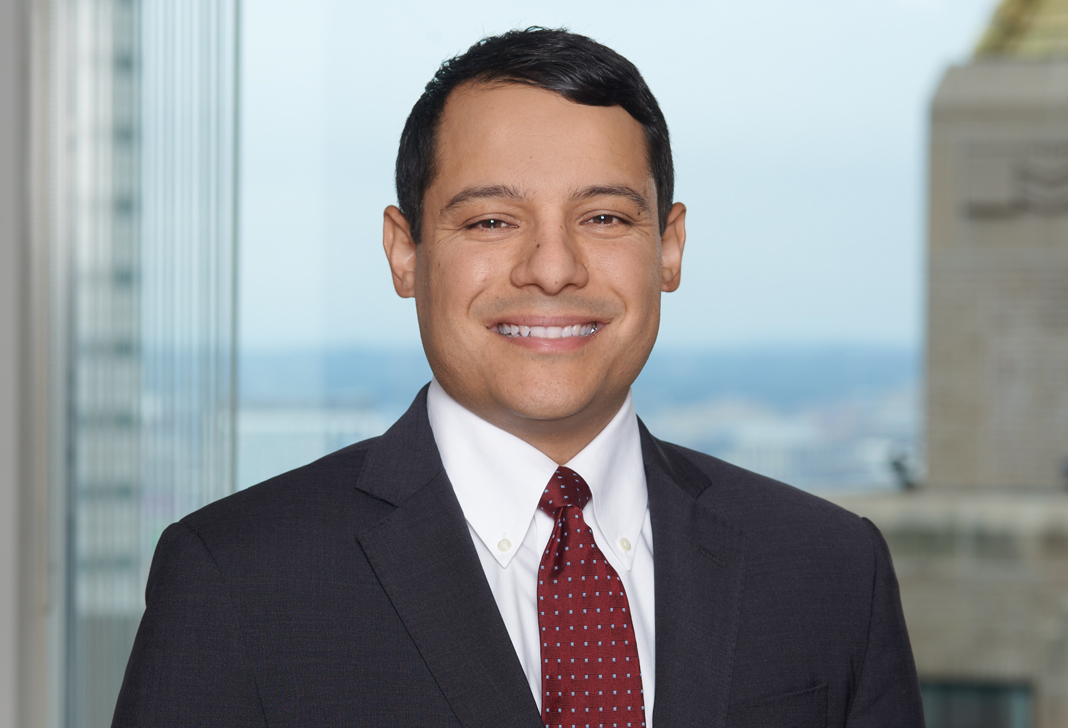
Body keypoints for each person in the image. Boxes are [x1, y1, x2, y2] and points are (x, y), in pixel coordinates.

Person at [112, 28, 925, 728]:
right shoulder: (237, 578)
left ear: (669, 248)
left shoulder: (828, 568)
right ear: (405, 251)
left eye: (603, 217)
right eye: (492, 220)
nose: (552, 267)